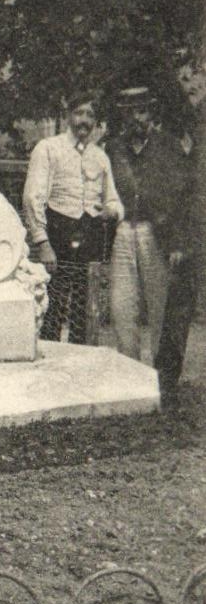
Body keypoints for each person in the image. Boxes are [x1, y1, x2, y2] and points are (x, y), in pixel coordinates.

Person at [105, 87, 191, 402]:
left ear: (150, 112)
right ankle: (130, 377)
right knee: (122, 305)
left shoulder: (168, 147)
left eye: (140, 110)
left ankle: (158, 382)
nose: (135, 118)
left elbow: (184, 197)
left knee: (159, 307)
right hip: (123, 231)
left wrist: (178, 241)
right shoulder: (113, 149)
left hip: (158, 233)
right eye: (128, 111)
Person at [22, 92, 123, 345]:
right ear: (69, 115)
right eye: (79, 113)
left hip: (89, 236)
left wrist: (112, 211)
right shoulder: (48, 148)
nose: (84, 120)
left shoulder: (100, 157)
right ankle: (51, 365)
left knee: (86, 307)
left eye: (90, 115)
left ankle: (81, 366)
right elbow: (33, 196)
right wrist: (43, 243)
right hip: (58, 234)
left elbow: (113, 199)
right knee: (53, 305)